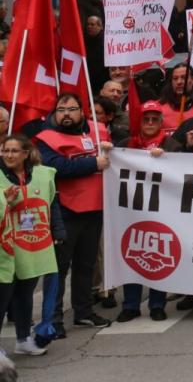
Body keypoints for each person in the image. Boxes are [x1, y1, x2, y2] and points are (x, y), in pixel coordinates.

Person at [35, 92, 111, 335]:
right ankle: (53, 319)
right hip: (65, 212)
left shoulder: (99, 131)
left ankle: (83, 312)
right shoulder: (45, 139)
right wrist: (92, 164)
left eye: (71, 109)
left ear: (82, 111)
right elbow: (55, 167)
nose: (66, 114)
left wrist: (111, 150)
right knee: (58, 269)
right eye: (61, 110)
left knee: (85, 266)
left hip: (94, 209)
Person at [0, 134, 59, 356]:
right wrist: (3, 197)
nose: (9, 155)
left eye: (14, 151)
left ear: (26, 154)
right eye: (5, 150)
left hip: (33, 246)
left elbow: (52, 204)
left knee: (25, 294)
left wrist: (58, 231)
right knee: (2, 296)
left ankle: (23, 339)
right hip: (4, 249)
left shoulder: (43, 175)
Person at [114, 102, 169, 323]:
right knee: (133, 254)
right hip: (132, 210)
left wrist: (166, 158)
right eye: (145, 119)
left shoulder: (172, 145)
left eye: (154, 119)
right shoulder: (127, 145)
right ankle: (131, 305)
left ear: (161, 122)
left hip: (163, 210)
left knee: (160, 256)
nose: (149, 123)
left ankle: (157, 304)